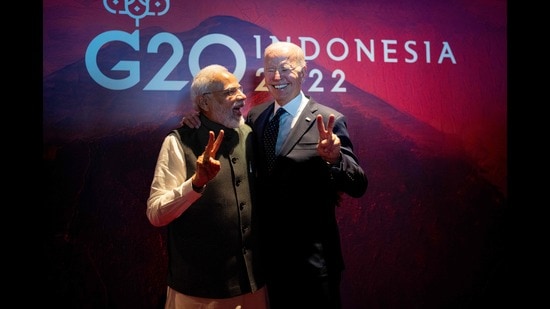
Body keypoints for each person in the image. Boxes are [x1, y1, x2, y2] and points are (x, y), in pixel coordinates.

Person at [182, 42, 368, 308]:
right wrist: (197, 121)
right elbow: (223, 132)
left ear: (304, 72)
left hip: (315, 265)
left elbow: (359, 185)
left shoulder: (329, 120)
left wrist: (335, 159)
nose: (277, 77)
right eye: (270, 69)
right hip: (269, 263)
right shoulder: (256, 117)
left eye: (285, 68)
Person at [146, 64, 268, 309]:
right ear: (204, 103)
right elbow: (156, 214)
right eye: (230, 92)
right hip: (198, 295)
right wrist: (196, 184)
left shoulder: (249, 135)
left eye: (240, 89)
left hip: (253, 287)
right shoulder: (178, 142)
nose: (243, 97)